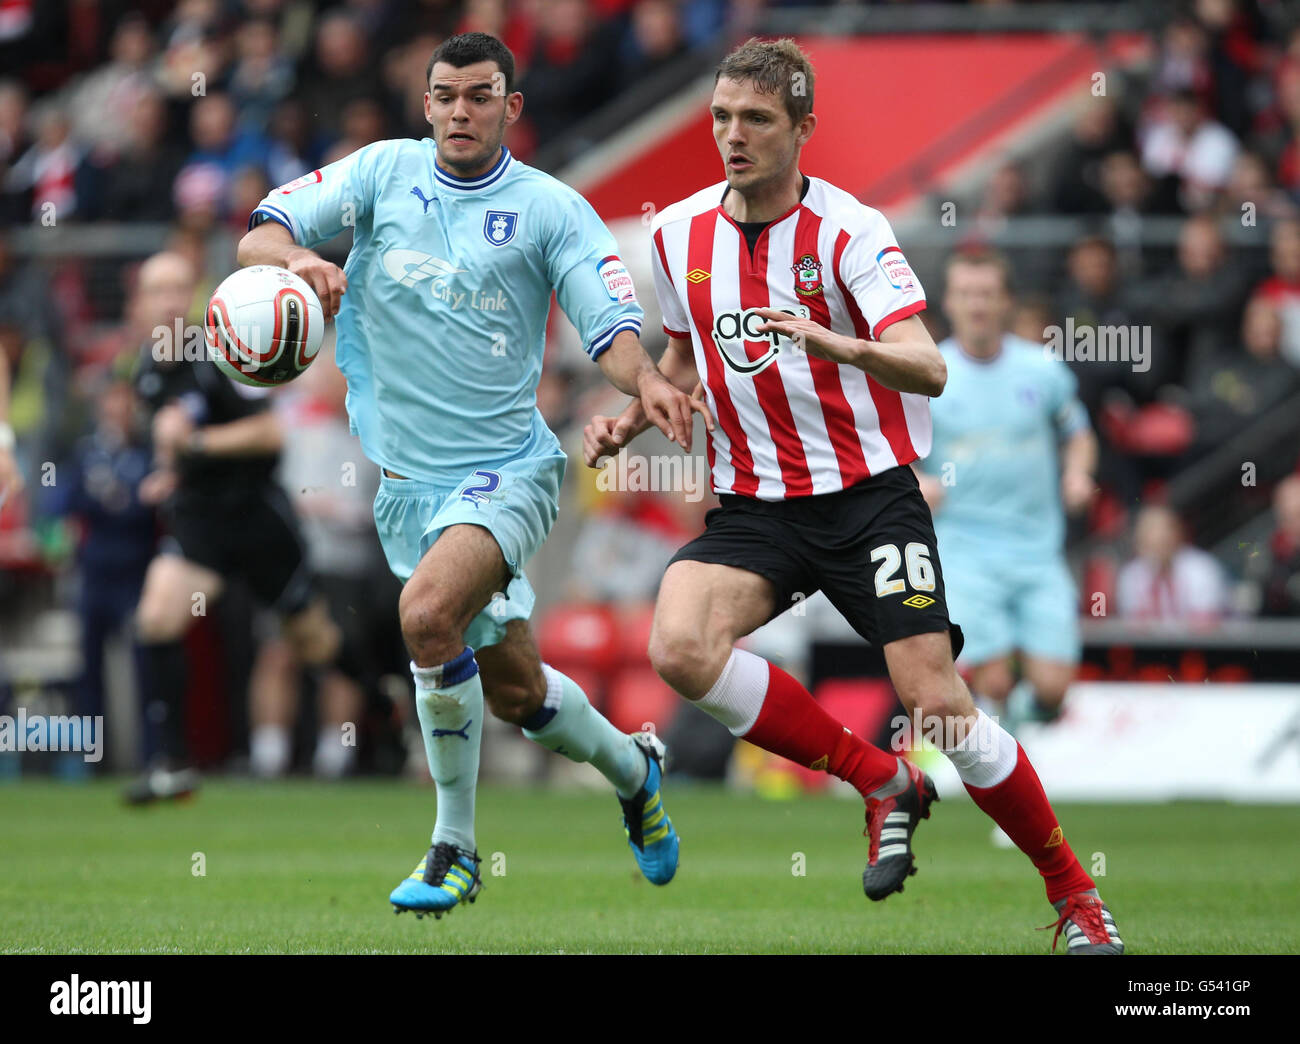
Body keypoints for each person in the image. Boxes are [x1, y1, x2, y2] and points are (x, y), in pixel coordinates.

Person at [583, 38, 1124, 953]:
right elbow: (683, 353)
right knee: (678, 645)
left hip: (871, 496)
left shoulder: (851, 231)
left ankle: (1077, 895)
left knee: (940, 706)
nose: (733, 135)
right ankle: (879, 780)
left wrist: (843, 346)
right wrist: (636, 412)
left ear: (804, 128)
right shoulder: (677, 235)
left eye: (757, 119)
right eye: (721, 117)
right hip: (758, 504)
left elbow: (929, 364)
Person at [238, 32, 705, 917]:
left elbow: (609, 328)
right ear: (427, 105)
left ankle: (454, 846)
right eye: (446, 95)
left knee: (425, 617)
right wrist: (297, 260)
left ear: (510, 108)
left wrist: (646, 382)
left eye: (481, 96)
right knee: (518, 691)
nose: (461, 110)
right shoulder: (379, 173)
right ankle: (633, 772)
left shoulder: (552, 209)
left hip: (509, 471)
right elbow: (260, 232)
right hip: (408, 487)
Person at [127, 251, 344, 804]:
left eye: (180, 288)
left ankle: (386, 726)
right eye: (158, 291)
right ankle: (172, 763)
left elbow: (271, 435)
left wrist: (194, 444)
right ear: (140, 303)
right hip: (202, 523)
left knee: (316, 642)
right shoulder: (149, 368)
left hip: (257, 518)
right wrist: (169, 472)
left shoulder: (223, 350)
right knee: (156, 618)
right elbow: (176, 442)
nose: (170, 301)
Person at [917, 250, 1098, 731]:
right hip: (964, 549)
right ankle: (1006, 765)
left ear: (1006, 303)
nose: (977, 305)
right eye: (966, 294)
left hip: (1037, 549)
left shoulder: (1041, 370)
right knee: (993, 679)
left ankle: (1016, 730)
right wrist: (919, 482)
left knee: (1054, 688)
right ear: (949, 303)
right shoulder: (928, 375)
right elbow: (892, 459)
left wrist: (1077, 473)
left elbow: (1078, 433)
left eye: (987, 294)